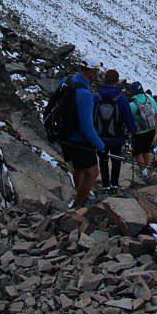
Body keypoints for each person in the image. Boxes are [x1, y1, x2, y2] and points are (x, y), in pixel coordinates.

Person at [57, 55, 105, 208]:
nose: (96, 74)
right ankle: (77, 206)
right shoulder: (85, 94)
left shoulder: (66, 81)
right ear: (91, 70)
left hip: (64, 134)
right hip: (78, 139)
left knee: (78, 167)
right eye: (96, 71)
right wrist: (101, 146)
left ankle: (80, 196)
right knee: (92, 172)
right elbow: (87, 126)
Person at [93, 69, 136, 193]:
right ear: (116, 82)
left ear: (104, 81)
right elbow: (128, 119)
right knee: (116, 160)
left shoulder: (96, 97)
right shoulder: (121, 100)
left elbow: (91, 116)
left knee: (103, 159)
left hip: (100, 137)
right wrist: (132, 131)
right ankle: (114, 185)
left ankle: (105, 185)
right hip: (116, 137)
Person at [129, 81, 157, 178]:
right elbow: (156, 111)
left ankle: (144, 172)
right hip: (151, 129)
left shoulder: (133, 104)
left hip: (139, 131)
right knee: (146, 150)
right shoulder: (150, 99)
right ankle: (145, 169)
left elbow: (128, 117)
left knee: (138, 152)